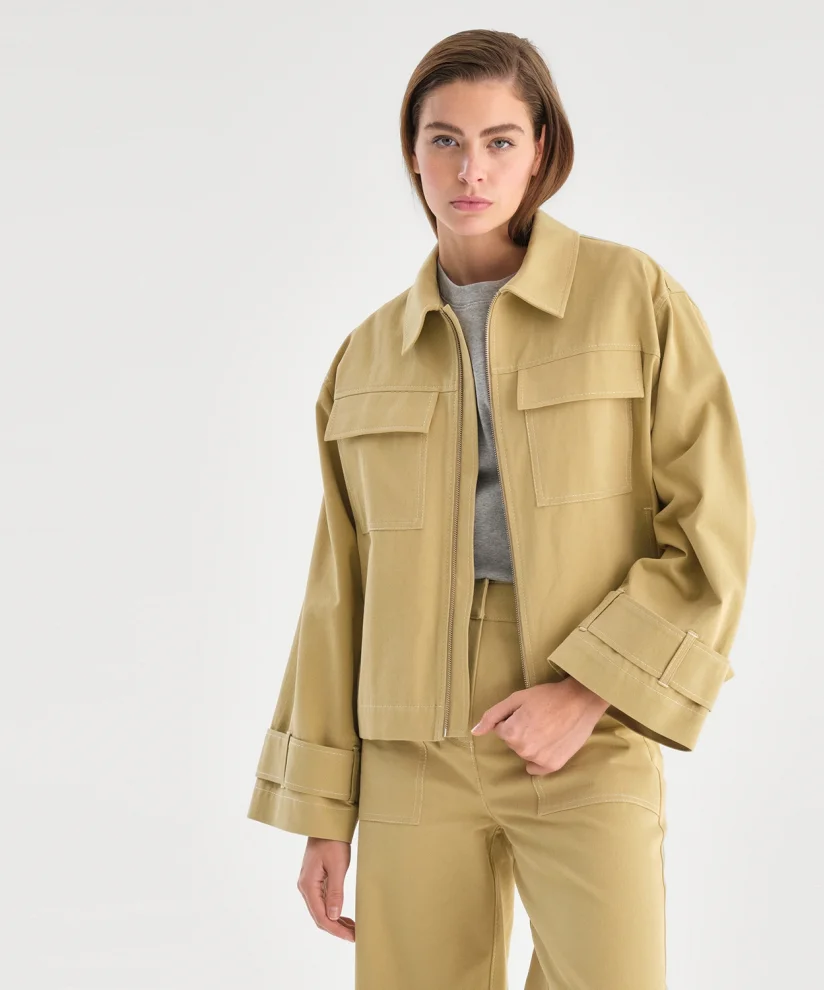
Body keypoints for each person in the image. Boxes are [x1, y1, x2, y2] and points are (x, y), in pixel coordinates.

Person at [246, 27, 756, 990]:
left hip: (583, 720)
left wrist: (588, 692)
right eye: (444, 140)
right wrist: (324, 809)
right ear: (412, 154)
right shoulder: (366, 355)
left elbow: (709, 531)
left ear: (540, 149)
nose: (469, 169)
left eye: (499, 141)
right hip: (406, 739)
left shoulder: (633, 298)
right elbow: (338, 589)